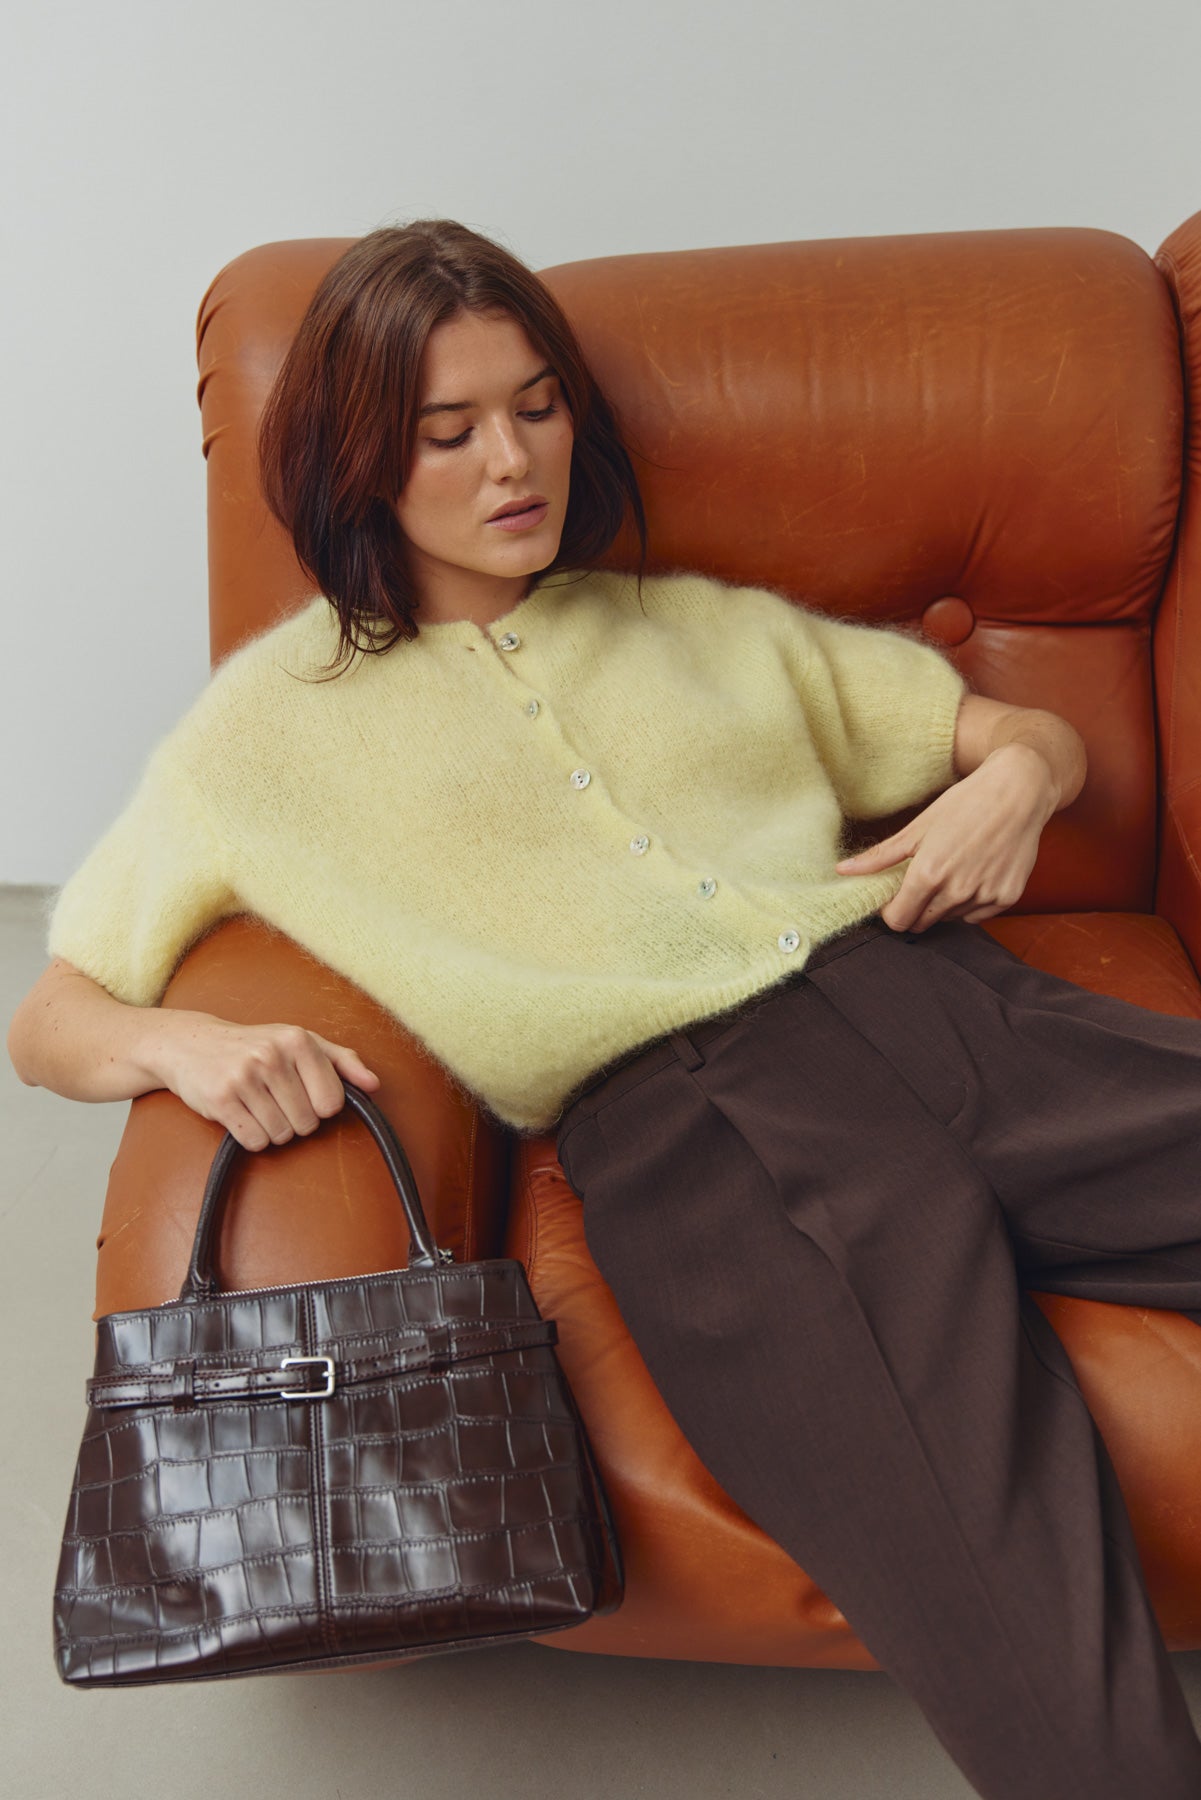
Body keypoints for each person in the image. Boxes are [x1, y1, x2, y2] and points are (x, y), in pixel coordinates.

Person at [8, 220, 1201, 1800]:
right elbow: (52, 1012)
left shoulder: (696, 628)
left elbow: (1010, 735)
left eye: (536, 406)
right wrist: (188, 1046)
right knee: (992, 1575)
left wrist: (1018, 782)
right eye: (447, 431)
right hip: (705, 1137)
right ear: (360, 460)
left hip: (950, 1010)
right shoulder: (267, 735)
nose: (512, 461)